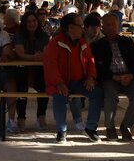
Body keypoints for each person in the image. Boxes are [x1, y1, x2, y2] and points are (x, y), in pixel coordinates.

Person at [44, 13, 103, 143]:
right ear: (70, 27)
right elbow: (50, 66)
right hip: (60, 82)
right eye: (80, 25)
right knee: (59, 95)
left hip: (79, 82)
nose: (83, 28)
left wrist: (91, 77)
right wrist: (59, 83)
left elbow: (90, 61)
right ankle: (61, 131)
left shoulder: (83, 42)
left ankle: (91, 128)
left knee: (97, 93)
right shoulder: (55, 43)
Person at [91, 14, 134, 141]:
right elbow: (98, 68)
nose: (111, 27)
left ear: (118, 25)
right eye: (107, 25)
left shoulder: (127, 42)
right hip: (110, 78)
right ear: (103, 27)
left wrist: (131, 75)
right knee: (110, 96)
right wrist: (113, 76)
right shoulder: (97, 45)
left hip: (128, 76)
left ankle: (126, 126)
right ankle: (110, 127)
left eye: (113, 24)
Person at [14, 12, 50, 131]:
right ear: (24, 23)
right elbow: (20, 54)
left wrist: (39, 56)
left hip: (39, 68)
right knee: (21, 88)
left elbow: (46, 52)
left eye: (34, 21)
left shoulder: (44, 35)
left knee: (45, 86)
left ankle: (41, 116)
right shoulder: (19, 35)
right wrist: (34, 57)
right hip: (22, 67)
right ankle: (21, 118)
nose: (32, 23)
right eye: (29, 21)